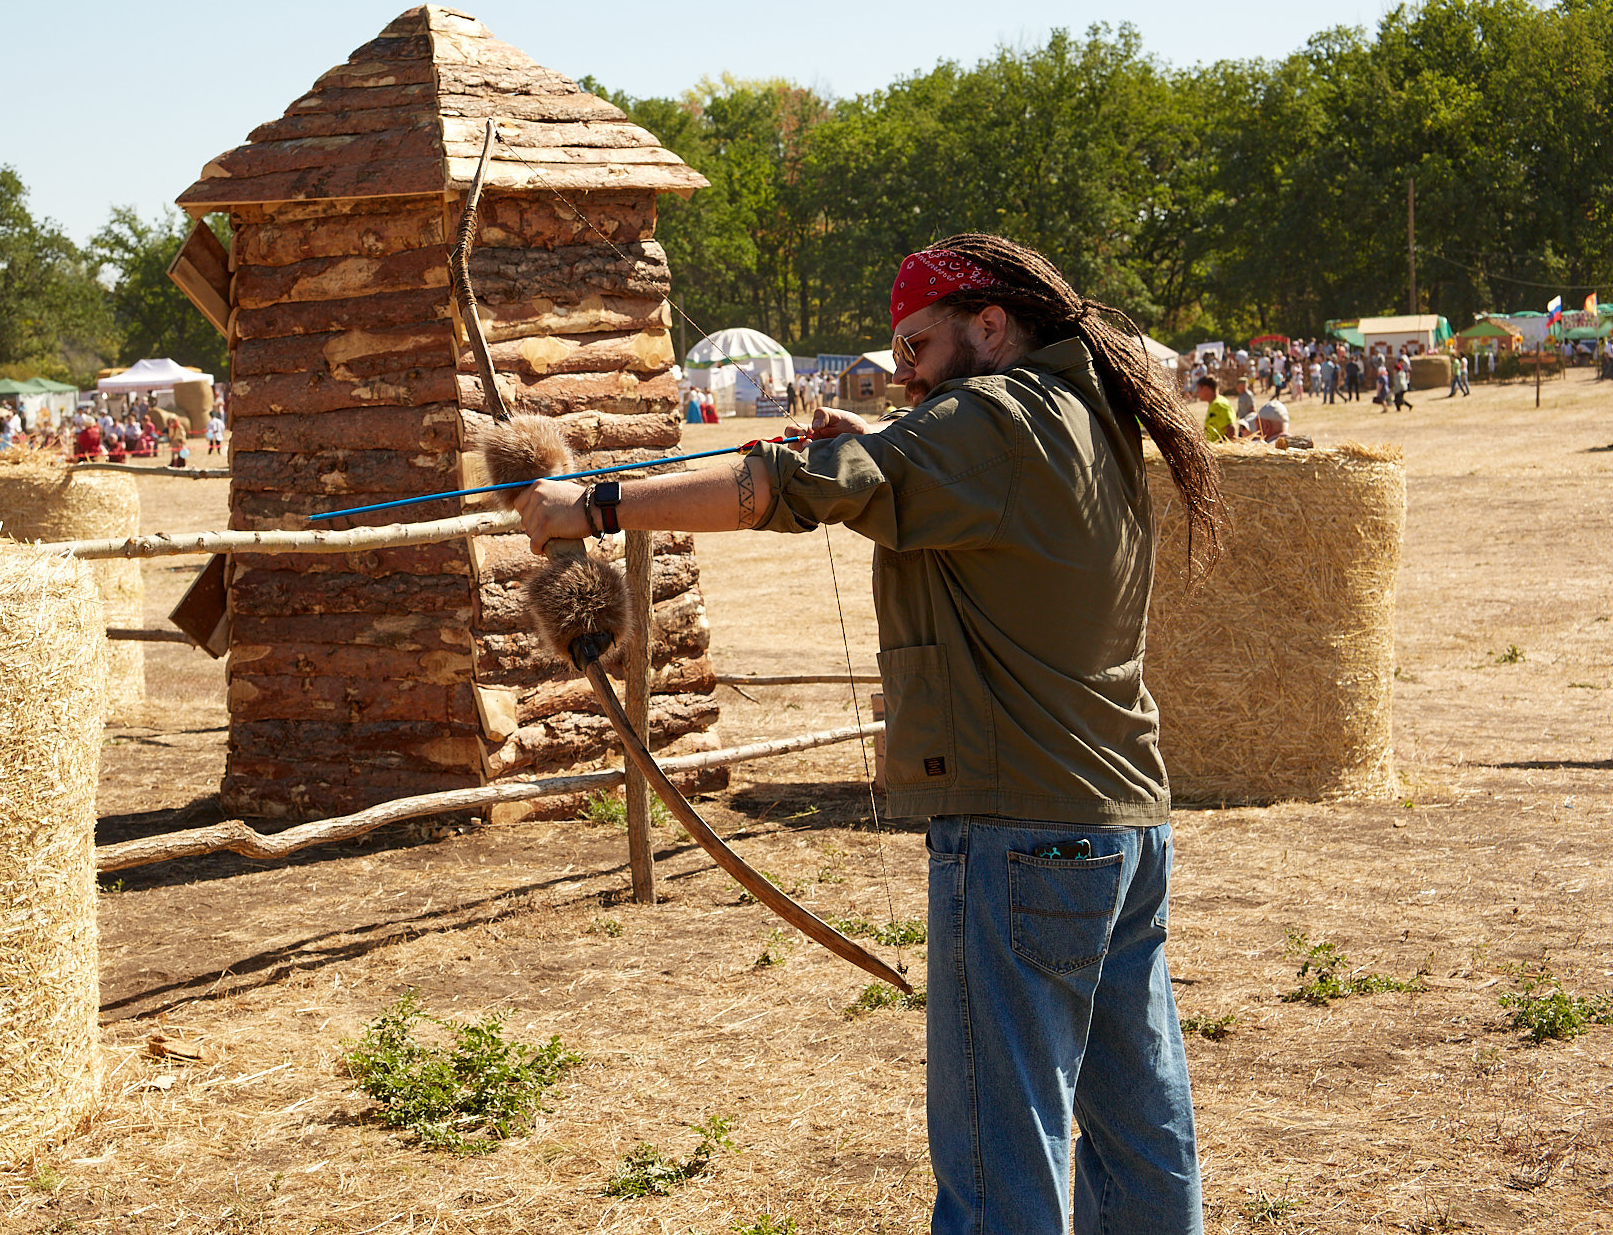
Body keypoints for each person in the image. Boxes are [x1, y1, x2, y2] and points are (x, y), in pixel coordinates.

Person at [515, 234, 1218, 1233]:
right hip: (1121, 834)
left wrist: (590, 503)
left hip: (1018, 832)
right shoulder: (1083, 411)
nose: (904, 370)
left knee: (998, 1152)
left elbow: (778, 488)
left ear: (989, 324)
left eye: (918, 344)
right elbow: (922, 480)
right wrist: (881, 439)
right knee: (1139, 1132)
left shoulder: (990, 416)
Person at [1196, 376, 1235, 441]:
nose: (1197, 393)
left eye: (1198, 389)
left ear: (1206, 389)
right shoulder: (1213, 403)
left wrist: (1232, 447)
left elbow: (1230, 427)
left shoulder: (1219, 404)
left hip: (1221, 448)